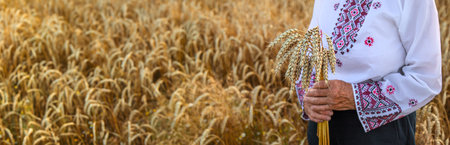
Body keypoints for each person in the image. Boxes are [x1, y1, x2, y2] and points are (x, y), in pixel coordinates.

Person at [294, 0, 442, 144]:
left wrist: (353, 96)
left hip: (381, 132)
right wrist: (310, 98)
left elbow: (426, 78)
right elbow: (310, 53)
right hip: (322, 127)